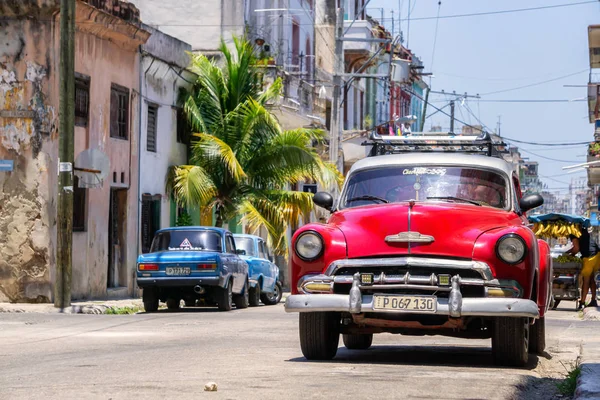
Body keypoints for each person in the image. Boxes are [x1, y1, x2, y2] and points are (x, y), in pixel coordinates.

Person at [566, 227, 600, 309]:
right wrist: (570, 252)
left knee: (586, 280)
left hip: (589, 257)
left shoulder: (573, 234)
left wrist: (570, 254)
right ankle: (593, 301)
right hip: (597, 255)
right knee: (592, 279)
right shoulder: (582, 230)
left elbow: (576, 248)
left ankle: (582, 302)